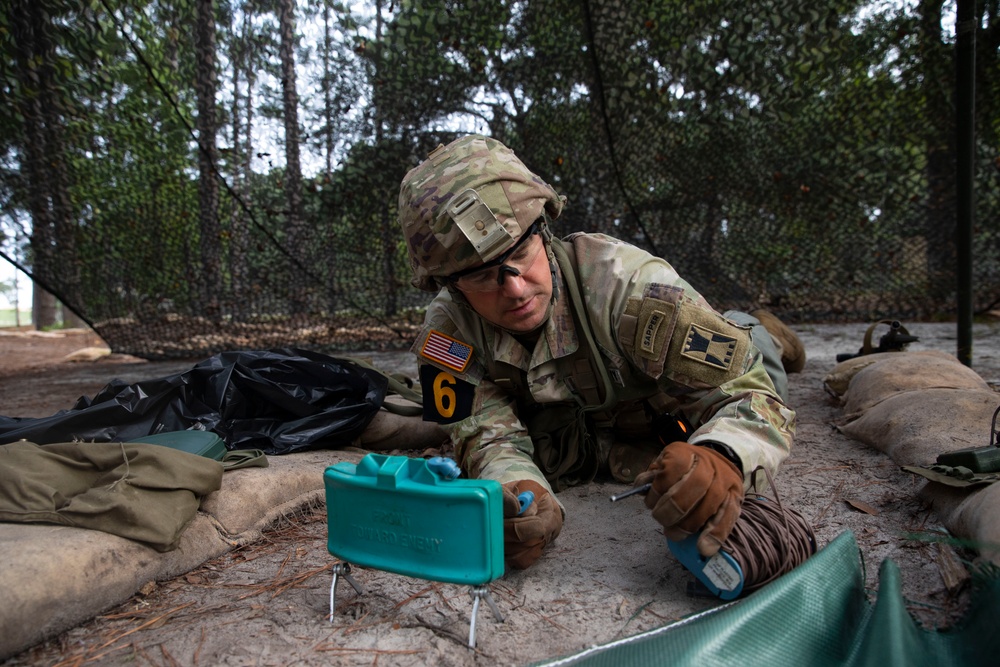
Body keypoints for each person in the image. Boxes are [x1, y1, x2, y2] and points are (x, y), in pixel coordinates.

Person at [398, 134, 803, 570]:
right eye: (481, 276)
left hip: (678, 388)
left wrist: (723, 456)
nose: (514, 288)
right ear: (449, 286)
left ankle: (766, 329)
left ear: (544, 230)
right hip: (600, 434)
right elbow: (486, 436)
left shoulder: (628, 290)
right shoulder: (447, 335)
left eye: (520, 252)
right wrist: (516, 491)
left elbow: (749, 395)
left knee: (760, 351)